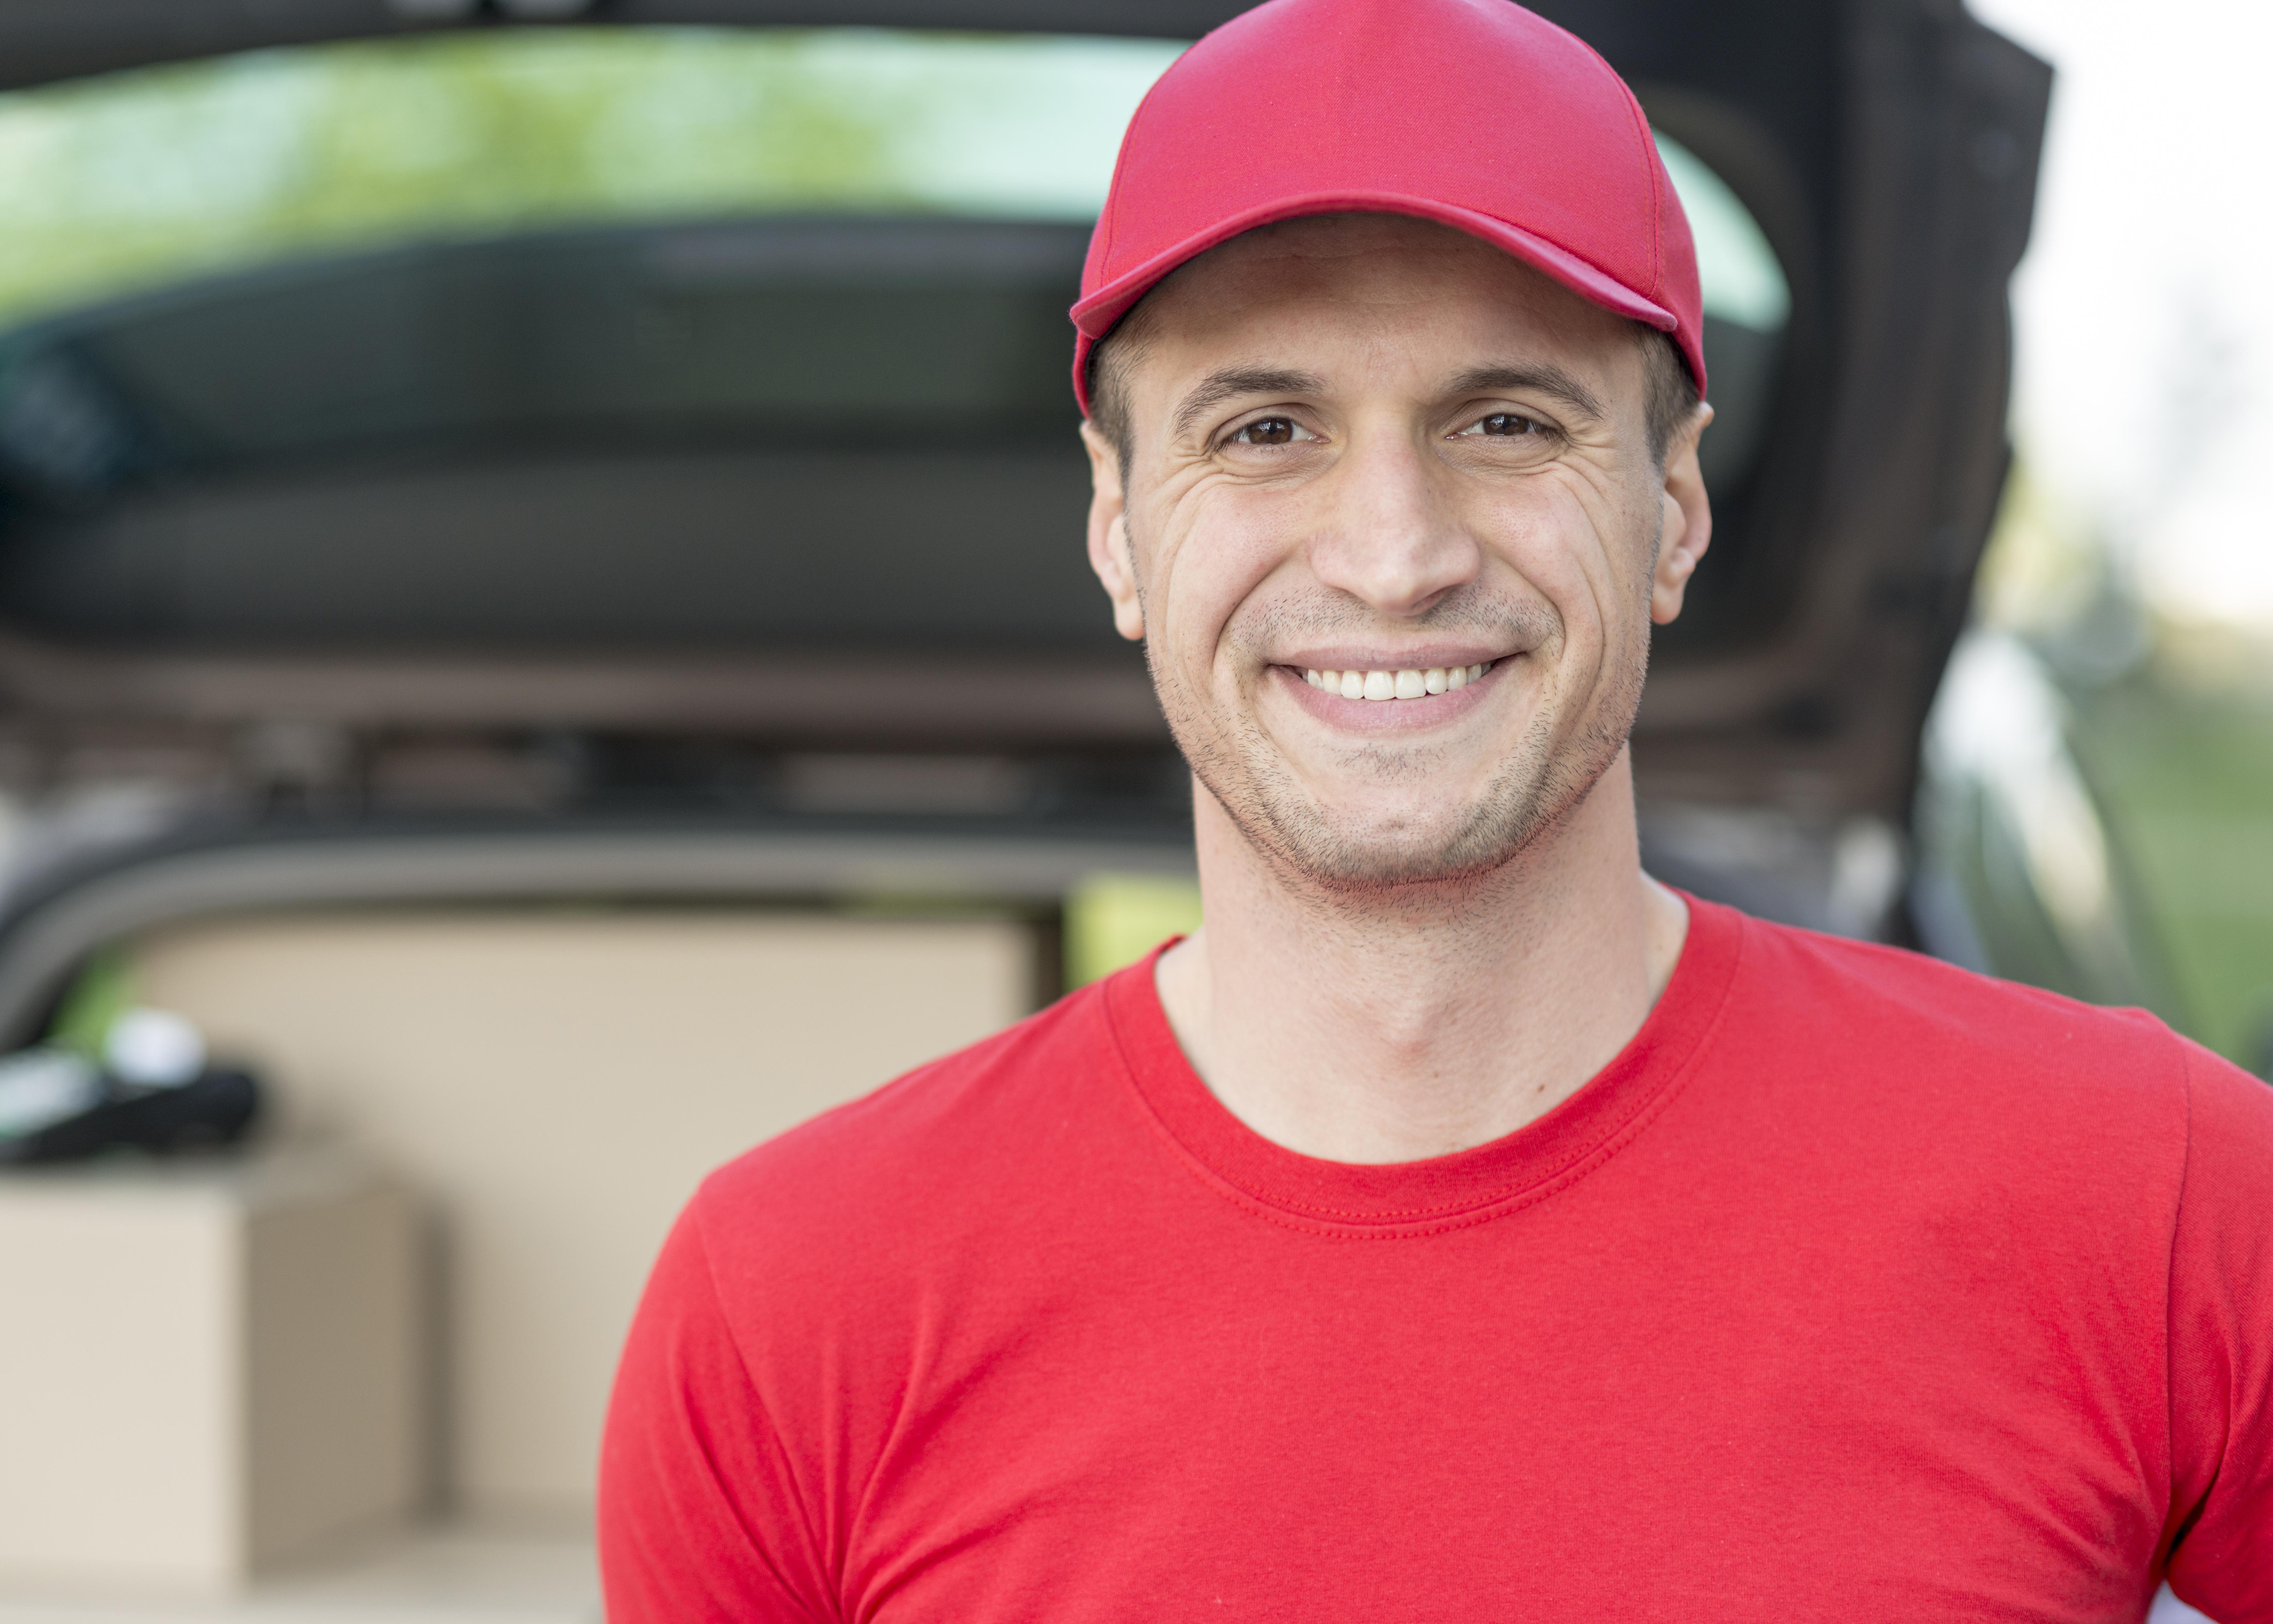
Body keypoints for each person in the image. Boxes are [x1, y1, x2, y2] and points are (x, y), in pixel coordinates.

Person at [598, 0, 2273, 1614]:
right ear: (1117, 525)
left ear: (1673, 504)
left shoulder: (2152, 1192)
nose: (1394, 552)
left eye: (1504, 420)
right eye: (1264, 428)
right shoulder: (795, 1305)